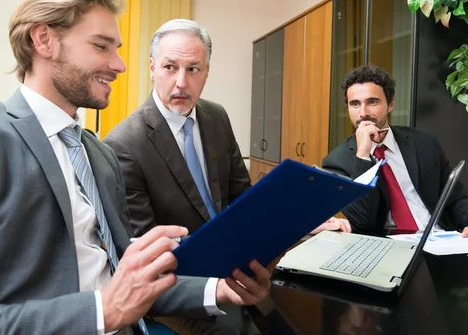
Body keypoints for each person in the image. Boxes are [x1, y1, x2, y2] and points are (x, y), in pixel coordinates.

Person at [0, 0, 275, 334]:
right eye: (102, 47)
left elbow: (126, 280)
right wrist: (101, 312)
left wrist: (220, 289)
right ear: (43, 40)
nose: (119, 65)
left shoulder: (99, 156)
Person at [102, 19, 349, 333]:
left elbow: (244, 199)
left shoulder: (215, 116)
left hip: (240, 264)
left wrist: (301, 219)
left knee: (308, 311)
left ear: (207, 71)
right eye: (169, 67)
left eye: (193, 69)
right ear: (152, 67)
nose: (181, 82)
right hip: (183, 285)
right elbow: (149, 254)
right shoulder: (123, 144)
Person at [322, 64, 468, 244]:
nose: (363, 112)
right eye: (355, 104)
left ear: (390, 104)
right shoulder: (336, 163)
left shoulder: (424, 142)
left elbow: (455, 198)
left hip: (442, 240)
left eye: (372, 102)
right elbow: (363, 220)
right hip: (387, 248)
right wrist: (363, 154)